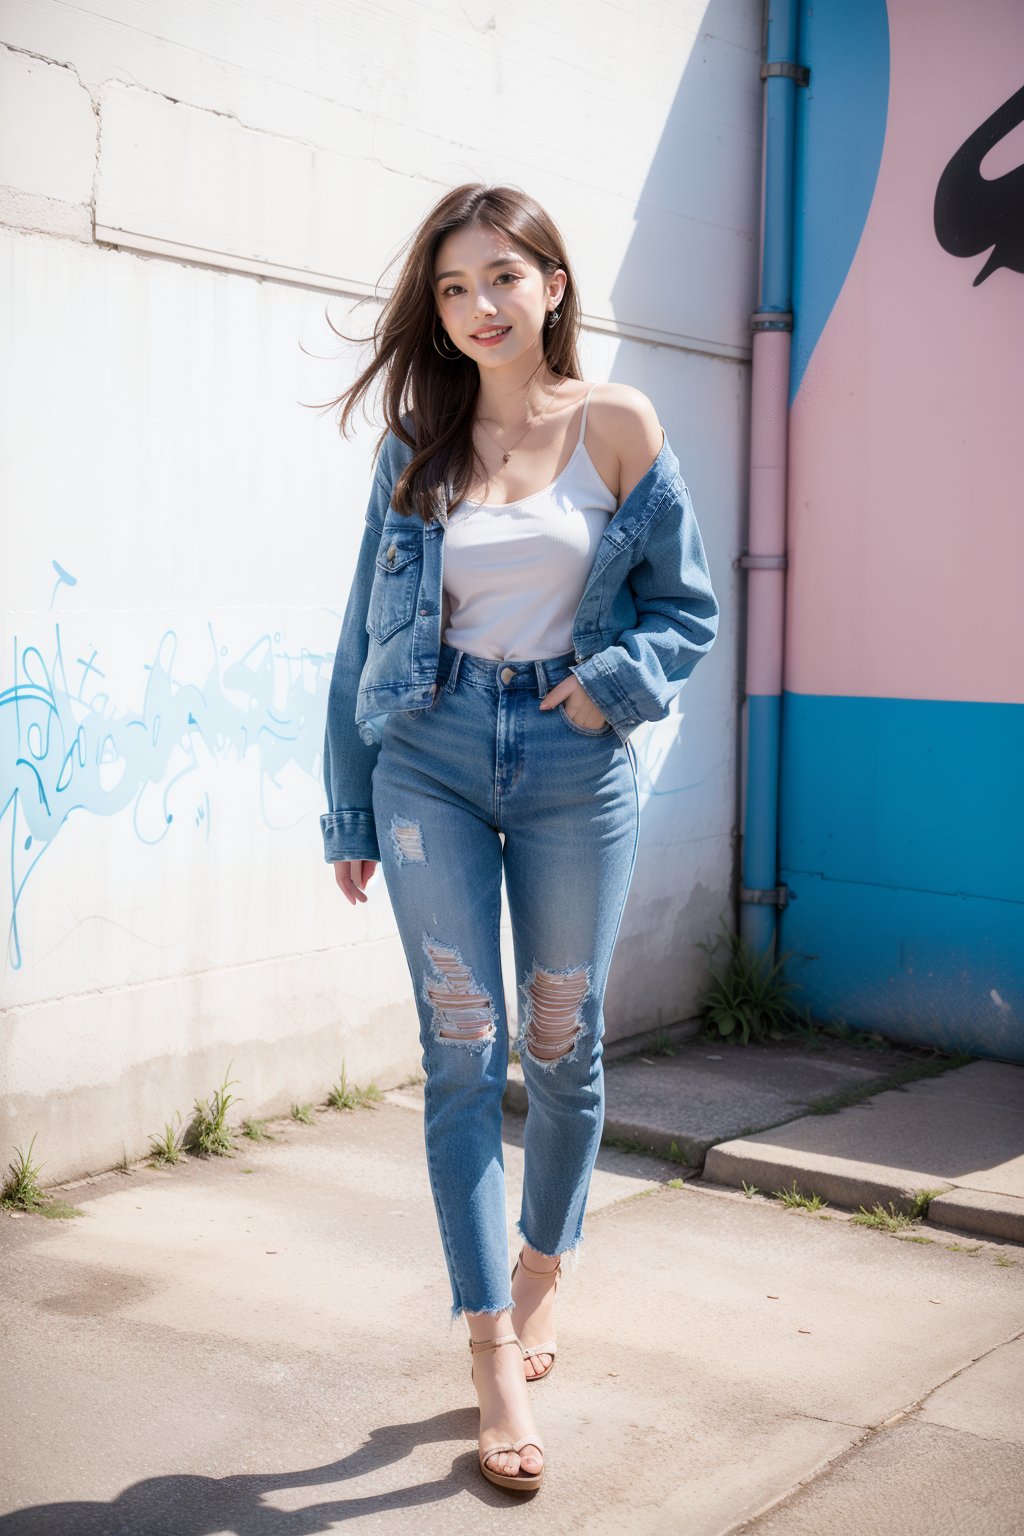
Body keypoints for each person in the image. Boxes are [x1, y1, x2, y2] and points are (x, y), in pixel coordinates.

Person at [318, 182, 719, 1493]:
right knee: (459, 1046)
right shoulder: (416, 444)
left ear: (552, 283)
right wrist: (347, 799)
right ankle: (489, 1346)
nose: (478, 307)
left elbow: (686, 611)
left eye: (501, 277)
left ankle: (545, 1266)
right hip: (427, 760)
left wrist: (613, 685)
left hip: (569, 761)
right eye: (451, 288)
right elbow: (356, 644)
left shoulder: (616, 427)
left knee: (561, 1038)